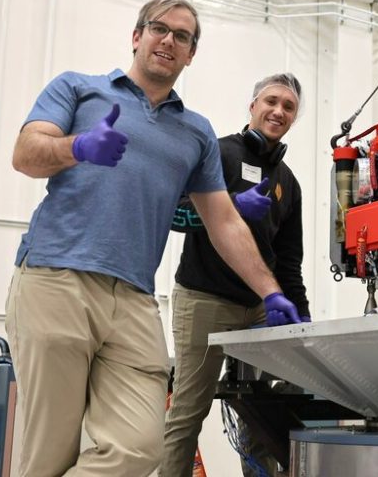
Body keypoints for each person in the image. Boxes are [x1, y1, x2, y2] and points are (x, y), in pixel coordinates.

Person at [6, 0, 302, 477]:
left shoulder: (196, 133)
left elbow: (223, 221)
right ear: (137, 36)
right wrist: (78, 146)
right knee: (48, 454)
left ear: (191, 54)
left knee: (141, 447)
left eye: (182, 36)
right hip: (57, 277)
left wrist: (272, 292)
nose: (168, 39)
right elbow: (26, 153)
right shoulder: (79, 89)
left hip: (136, 300)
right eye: (159, 28)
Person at [161, 73, 310, 477]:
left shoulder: (288, 184)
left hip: (260, 309)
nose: (278, 111)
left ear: (294, 118)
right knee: (190, 410)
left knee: (262, 413)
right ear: (253, 105)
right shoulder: (220, 154)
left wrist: (303, 320)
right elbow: (176, 214)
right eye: (271, 101)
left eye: (289, 106)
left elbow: (288, 261)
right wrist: (229, 206)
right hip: (205, 299)